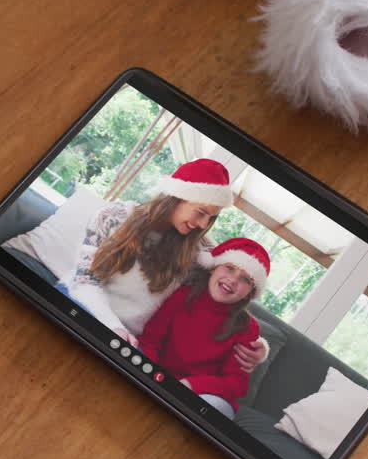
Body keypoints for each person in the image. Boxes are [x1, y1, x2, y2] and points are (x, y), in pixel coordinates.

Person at [62, 158, 265, 370]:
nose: (203, 224)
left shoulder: (198, 253)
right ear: (177, 197)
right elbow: (84, 282)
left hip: (129, 339)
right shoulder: (115, 217)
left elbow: (229, 294)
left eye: (211, 218)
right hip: (82, 306)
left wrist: (256, 345)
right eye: (201, 212)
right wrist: (112, 326)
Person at [137, 237, 271, 418]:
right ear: (213, 268)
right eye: (229, 268)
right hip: (161, 376)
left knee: (211, 407)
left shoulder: (247, 328)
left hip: (204, 393)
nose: (232, 280)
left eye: (245, 279)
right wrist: (154, 377)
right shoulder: (182, 295)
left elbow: (236, 383)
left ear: (250, 292)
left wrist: (191, 385)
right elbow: (150, 341)